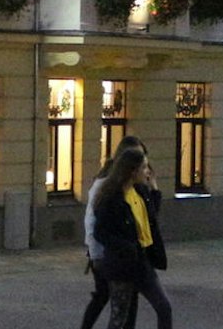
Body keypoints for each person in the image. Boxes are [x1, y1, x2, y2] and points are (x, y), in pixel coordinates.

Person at [91, 146, 173, 329]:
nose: (148, 171)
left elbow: (151, 219)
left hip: (143, 262)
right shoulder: (112, 198)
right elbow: (100, 232)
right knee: (119, 318)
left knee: (164, 307)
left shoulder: (141, 193)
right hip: (122, 264)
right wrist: (124, 246)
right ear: (132, 171)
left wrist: (155, 190)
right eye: (144, 167)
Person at [80, 136, 146, 329]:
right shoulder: (108, 186)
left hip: (112, 255)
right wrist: (97, 253)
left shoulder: (128, 186)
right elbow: (95, 224)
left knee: (111, 300)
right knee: (116, 303)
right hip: (107, 255)